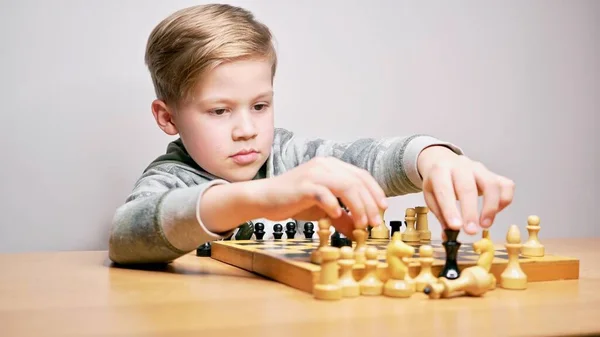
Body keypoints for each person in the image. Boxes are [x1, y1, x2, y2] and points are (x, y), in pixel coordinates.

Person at [108, 4, 515, 264]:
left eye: (260, 106)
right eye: (219, 111)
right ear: (167, 118)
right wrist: (262, 198)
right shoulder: (171, 178)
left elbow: (369, 157)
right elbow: (126, 237)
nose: (247, 130)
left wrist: (433, 156)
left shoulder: (291, 157)